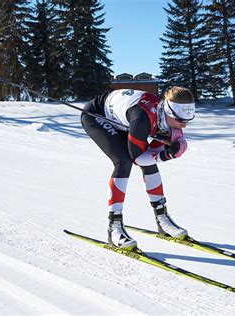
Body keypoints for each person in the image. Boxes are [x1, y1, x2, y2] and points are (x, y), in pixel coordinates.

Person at [81, 87, 195, 250]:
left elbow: (150, 156)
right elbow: (137, 158)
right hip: (97, 115)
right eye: (180, 120)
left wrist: (170, 149)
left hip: (124, 119)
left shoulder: (165, 117)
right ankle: (114, 227)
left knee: (150, 161)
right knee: (124, 162)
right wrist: (167, 155)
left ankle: (162, 219)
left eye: (187, 120)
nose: (183, 126)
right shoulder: (143, 118)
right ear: (169, 112)